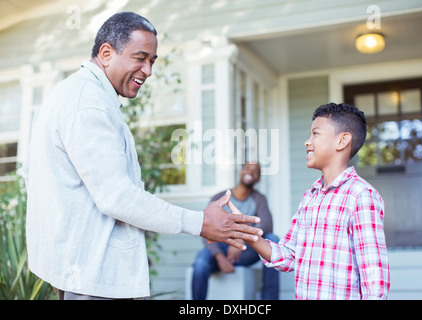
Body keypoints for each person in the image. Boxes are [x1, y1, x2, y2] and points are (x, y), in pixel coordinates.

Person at [23, 12, 262, 300]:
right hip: (92, 279)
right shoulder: (89, 103)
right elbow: (117, 196)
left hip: (84, 274)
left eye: (152, 61)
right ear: (107, 53)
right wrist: (200, 222)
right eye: (140, 57)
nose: (148, 70)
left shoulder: (77, 94)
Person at [246, 103, 390, 300]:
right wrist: (248, 234)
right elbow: (288, 257)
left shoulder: (360, 195)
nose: (307, 142)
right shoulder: (310, 196)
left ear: (342, 141)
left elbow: (374, 279)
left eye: (315, 134)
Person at [191, 162, 279, 300]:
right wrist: (219, 256)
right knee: (201, 263)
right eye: (248, 168)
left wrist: (240, 238)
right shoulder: (220, 197)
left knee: (273, 239)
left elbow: (267, 226)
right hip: (221, 249)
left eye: (256, 171)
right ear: (241, 171)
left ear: (258, 178)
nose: (251, 172)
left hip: (246, 251)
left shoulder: (259, 199)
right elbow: (206, 229)